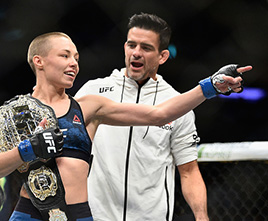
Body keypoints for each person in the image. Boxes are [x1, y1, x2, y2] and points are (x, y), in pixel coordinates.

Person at [0, 31, 251, 221]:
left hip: (78, 215)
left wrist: (209, 86)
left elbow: (159, 114)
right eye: (64, 56)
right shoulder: (17, 113)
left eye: (76, 57)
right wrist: (27, 150)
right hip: (30, 213)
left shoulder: (89, 106)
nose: (73, 63)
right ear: (39, 61)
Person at [74, 13, 212, 221]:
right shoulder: (93, 92)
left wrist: (202, 218)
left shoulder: (177, 104)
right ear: (125, 47)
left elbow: (188, 171)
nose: (136, 53)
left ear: (162, 56)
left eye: (146, 48)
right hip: (96, 215)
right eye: (132, 45)